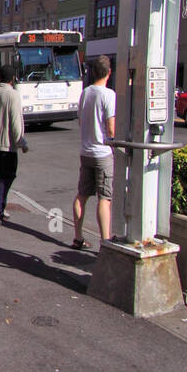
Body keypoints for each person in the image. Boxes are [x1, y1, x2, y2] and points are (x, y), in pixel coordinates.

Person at [72, 54, 116, 248]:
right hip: (102, 152)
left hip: (85, 151)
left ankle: (78, 236)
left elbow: (81, 120)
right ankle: (105, 242)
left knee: (82, 195)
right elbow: (111, 129)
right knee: (104, 198)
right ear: (109, 73)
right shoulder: (108, 95)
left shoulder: (85, 93)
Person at [0, 65, 27, 225]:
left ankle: (0, 207)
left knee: (1, 175)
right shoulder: (13, 95)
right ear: (13, 79)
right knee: (8, 176)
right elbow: (16, 124)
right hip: (8, 145)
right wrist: (22, 142)